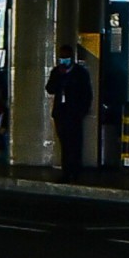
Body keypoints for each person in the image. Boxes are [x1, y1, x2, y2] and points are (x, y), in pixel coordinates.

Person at [45, 43, 92, 181]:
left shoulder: (80, 73)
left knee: (75, 143)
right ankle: (66, 171)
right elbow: (50, 89)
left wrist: (82, 110)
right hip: (61, 113)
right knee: (64, 143)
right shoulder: (56, 72)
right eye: (62, 57)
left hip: (74, 112)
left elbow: (87, 93)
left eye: (66, 57)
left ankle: (75, 171)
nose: (63, 59)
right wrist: (59, 77)